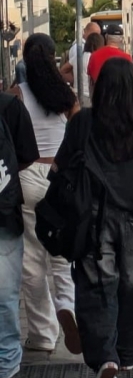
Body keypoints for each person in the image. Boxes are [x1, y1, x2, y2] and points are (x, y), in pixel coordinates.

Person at [52, 58, 133, 378]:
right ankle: (128, 354)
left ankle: (104, 357)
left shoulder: (82, 123)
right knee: (131, 290)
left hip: (92, 224)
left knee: (96, 290)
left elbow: (60, 168)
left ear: (100, 87)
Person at [9, 33, 82, 357]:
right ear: (54, 58)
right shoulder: (67, 96)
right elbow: (80, 139)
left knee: (32, 261)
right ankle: (68, 305)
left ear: (24, 59)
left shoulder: (16, 95)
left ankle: (41, 334)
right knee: (63, 252)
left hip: (26, 178)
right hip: (59, 177)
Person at [0, 91, 39, 378]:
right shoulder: (10, 106)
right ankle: (7, 363)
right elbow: (26, 156)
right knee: (5, 295)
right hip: (4, 213)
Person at [73, 32, 104, 101]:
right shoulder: (93, 57)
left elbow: (64, 69)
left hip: (76, 93)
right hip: (88, 95)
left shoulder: (78, 56)